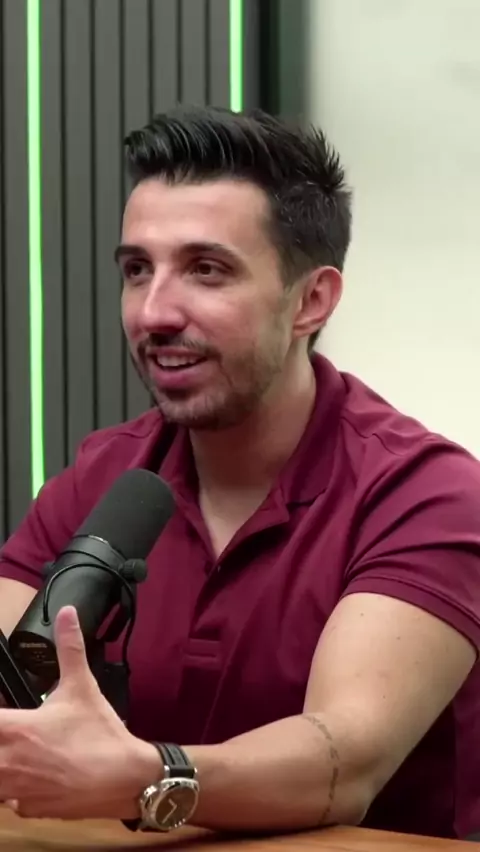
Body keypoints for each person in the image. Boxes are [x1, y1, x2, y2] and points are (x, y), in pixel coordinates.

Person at [0, 106, 479, 840]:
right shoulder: (107, 472)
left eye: (207, 270)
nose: (153, 312)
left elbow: (345, 758)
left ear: (311, 300)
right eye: (137, 270)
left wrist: (146, 776)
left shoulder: (427, 494)